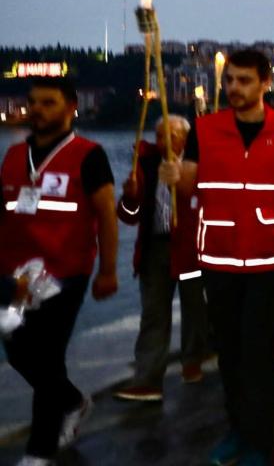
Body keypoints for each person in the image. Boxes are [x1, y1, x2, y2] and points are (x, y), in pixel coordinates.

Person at [161, 49, 274, 466]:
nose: (233, 88)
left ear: (265, 83)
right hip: (219, 255)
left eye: (244, 80)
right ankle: (236, 429)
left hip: (269, 257)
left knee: (257, 353)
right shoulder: (205, 129)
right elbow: (189, 184)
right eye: (229, 80)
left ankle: (258, 442)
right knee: (228, 351)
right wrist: (175, 176)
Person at [1, 77, 118, 466]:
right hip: (15, 273)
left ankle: (40, 450)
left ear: (71, 108)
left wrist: (108, 271)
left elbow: (107, 215)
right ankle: (72, 401)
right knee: (18, 351)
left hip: (65, 272)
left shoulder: (89, 155)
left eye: (48, 102)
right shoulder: (13, 155)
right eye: (33, 102)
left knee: (48, 354)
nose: (37, 109)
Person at [113, 115, 210, 402]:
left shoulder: (199, 165)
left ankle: (192, 361)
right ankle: (148, 379)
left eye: (171, 135)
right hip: (155, 249)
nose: (163, 141)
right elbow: (129, 217)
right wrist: (130, 198)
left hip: (191, 250)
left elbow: (208, 202)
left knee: (194, 308)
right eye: (158, 135)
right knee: (154, 313)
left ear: (185, 139)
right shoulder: (144, 165)